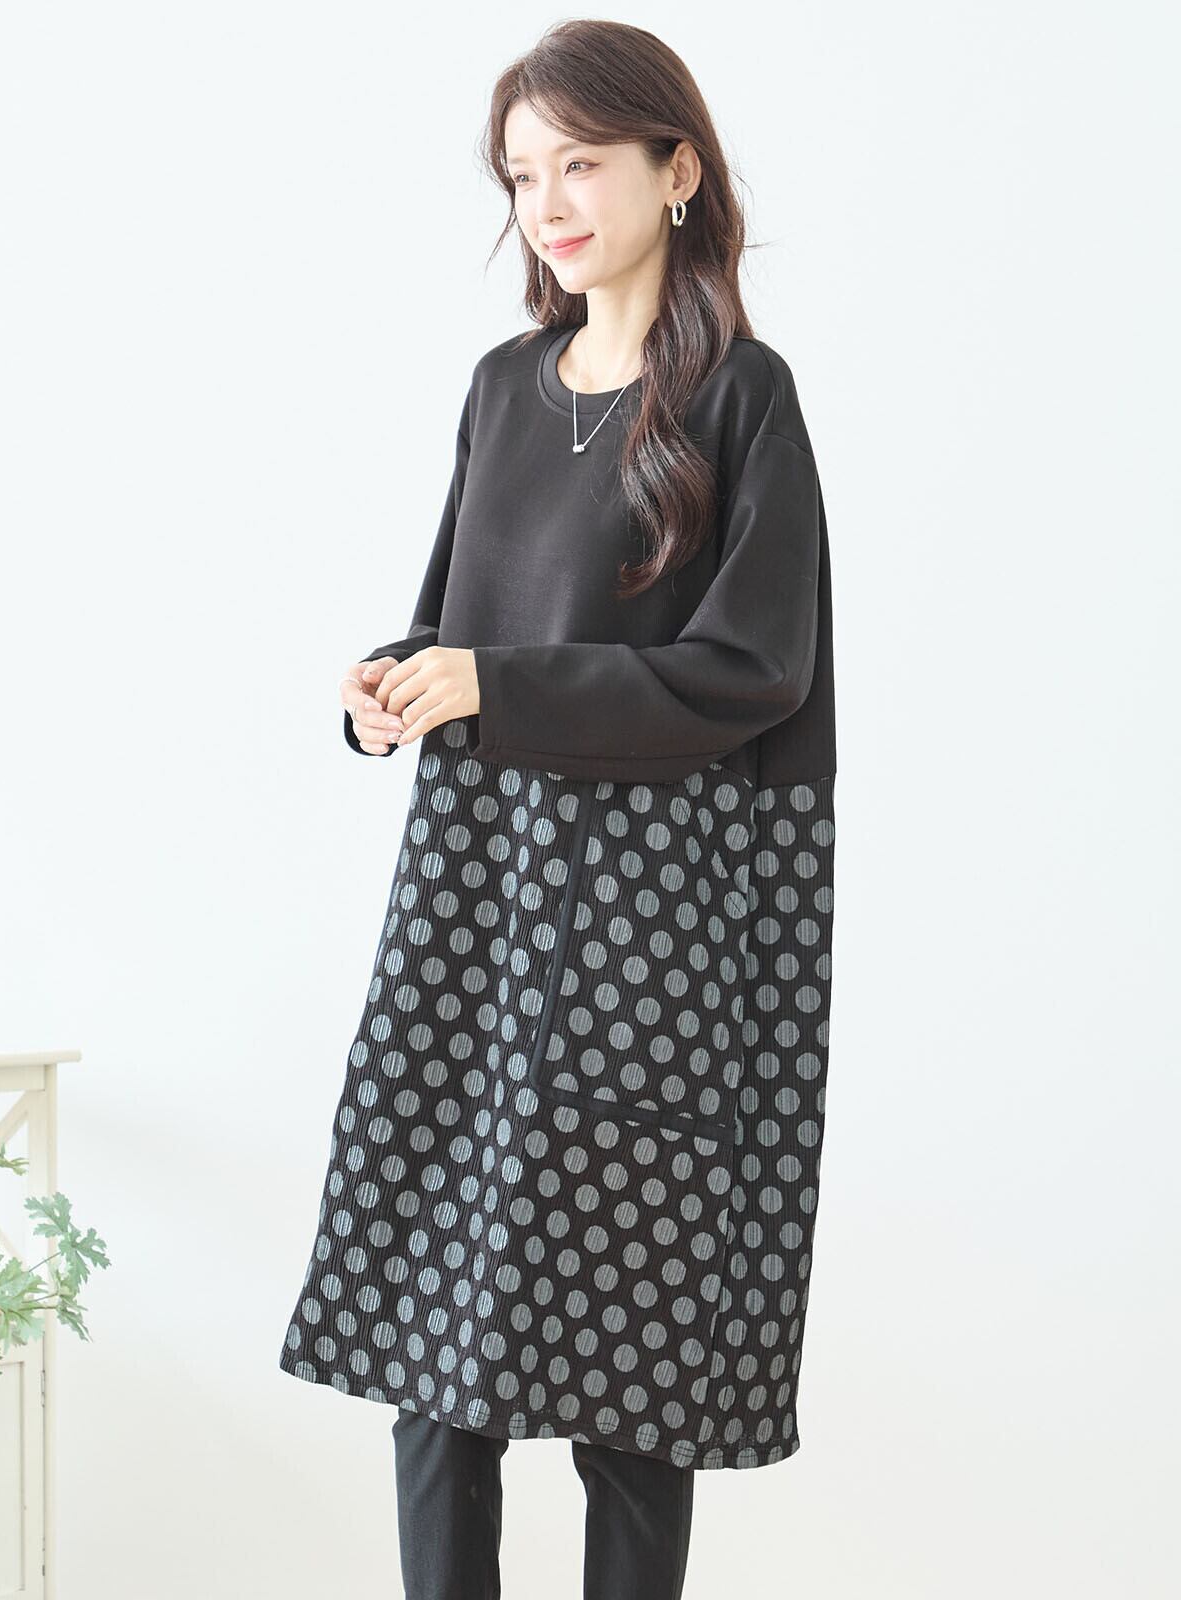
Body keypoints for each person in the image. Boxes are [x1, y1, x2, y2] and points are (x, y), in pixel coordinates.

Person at [278, 19, 838, 1600]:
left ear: (678, 169)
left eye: (580, 163)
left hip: (651, 921)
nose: (548, 202)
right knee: (433, 1361)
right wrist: (393, 682)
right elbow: (458, 623)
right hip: (478, 895)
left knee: (629, 1385)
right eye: (522, 175)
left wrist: (493, 685)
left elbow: (755, 672)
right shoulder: (501, 390)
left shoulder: (742, 398)